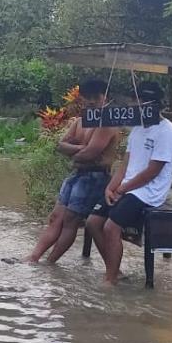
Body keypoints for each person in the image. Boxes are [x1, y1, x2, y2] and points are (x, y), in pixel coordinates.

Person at [85, 81, 172, 285]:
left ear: (151, 105)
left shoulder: (167, 131)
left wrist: (123, 189)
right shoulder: (137, 129)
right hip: (128, 187)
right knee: (93, 223)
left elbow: (152, 171)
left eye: (137, 103)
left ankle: (109, 280)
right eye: (132, 103)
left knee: (111, 227)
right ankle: (116, 270)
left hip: (148, 191)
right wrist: (111, 187)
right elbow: (126, 164)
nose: (132, 108)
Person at [29, 79, 119, 264]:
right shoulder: (80, 121)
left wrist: (79, 151)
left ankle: (50, 263)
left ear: (105, 97)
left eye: (96, 98)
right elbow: (61, 145)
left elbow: (90, 153)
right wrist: (82, 150)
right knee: (55, 218)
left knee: (70, 221)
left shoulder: (107, 122)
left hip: (95, 177)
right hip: (77, 175)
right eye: (88, 98)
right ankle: (33, 258)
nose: (91, 102)